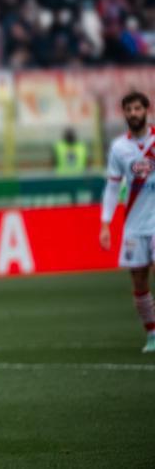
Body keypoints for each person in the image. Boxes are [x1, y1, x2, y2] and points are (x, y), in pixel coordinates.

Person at [100, 91, 155, 353]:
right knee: (139, 282)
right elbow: (112, 187)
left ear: (146, 110)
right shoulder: (119, 148)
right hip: (134, 225)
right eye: (128, 110)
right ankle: (152, 334)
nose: (133, 114)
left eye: (137, 109)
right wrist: (105, 224)